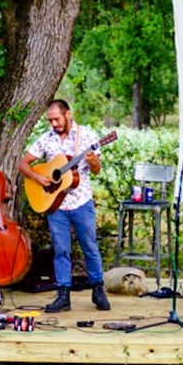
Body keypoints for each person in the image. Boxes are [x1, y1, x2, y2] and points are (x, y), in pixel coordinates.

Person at [18, 98, 110, 313]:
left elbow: (96, 169)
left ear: (68, 114)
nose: (53, 124)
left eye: (56, 119)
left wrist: (93, 160)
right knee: (60, 250)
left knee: (90, 246)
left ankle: (98, 289)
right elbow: (23, 163)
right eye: (50, 120)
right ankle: (63, 294)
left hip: (81, 202)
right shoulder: (46, 138)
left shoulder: (86, 135)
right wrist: (37, 177)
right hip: (56, 204)